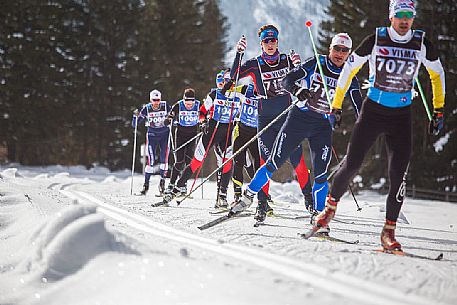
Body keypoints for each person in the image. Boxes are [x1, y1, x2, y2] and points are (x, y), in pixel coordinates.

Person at [309, 0, 446, 250]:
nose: (404, 20)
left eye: (409, 15)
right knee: (353, 163)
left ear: (413, 17)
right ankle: (328, 210)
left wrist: (438, 110)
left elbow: (437, 74)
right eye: (400, 15)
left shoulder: (421, 42)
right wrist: (336, 106)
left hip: (401, 115)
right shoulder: (377, 39)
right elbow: (348, 70)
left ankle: (388, 232)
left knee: (398, 174)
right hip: (373, 111)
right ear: (391, 17)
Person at [231, 33, 363, 225]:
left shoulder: (350, 75)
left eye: (344, 50)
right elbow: (287, 80)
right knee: (274, 161)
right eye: (337, 49)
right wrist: (297, 90)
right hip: (299, 119)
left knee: (321, 173)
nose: (339, 54)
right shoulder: (316, 63)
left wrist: (363, 125)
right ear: (330, 49)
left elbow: (359, 106)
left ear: (349, 53)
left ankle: (318, 215)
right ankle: (248, 196)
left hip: (322, 125)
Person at [230, 24, 313, 220]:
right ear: (261, 44)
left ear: (277, 42)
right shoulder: (254, 64)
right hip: (266, 118)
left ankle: (309, 202)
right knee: (265, 163)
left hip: (286, 117)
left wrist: (298, 66)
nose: (270, 44)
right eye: (266, 41)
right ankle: (262, 204)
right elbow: (233, 78)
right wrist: (239, 54)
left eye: (273, 40)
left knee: (297, 160)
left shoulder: (286, 60)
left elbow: (302, 79)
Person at [163, 69, 241, 208]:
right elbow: (202, 112)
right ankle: (177, 187)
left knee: (227, 163)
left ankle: (222, 196)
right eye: (224, 82)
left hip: (227, 132)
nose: (227, 85)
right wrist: (203, 122)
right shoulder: (214, 94)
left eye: (230, 82)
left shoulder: (238, 96)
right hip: (212, 130)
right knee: (197, 161)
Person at [132, 89, 172, 196]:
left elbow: (173, 114)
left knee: (164, 160)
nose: (156, 102)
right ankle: (145, 187)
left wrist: (173, 120)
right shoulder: (147, 108)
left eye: (158, 100)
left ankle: (162, 185)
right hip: (152, 136)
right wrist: (135, 117)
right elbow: (135, 124)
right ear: (150, 100)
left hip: (165, 135)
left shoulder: (165, 106)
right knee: (151, 161)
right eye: (154, 100)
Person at [164, 88, 201, 194]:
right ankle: (171, 184)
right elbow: (171, 115)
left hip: (192, 135)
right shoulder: (179, 105)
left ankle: (183, 185)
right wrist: (168, 119)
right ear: (183, 100)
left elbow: (204, 115)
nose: (189, 106)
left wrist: (204, 123)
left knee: (189, 161)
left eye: (191, 104)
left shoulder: (198, 105)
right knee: (179, 161)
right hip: (180, 135)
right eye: (187, 103)